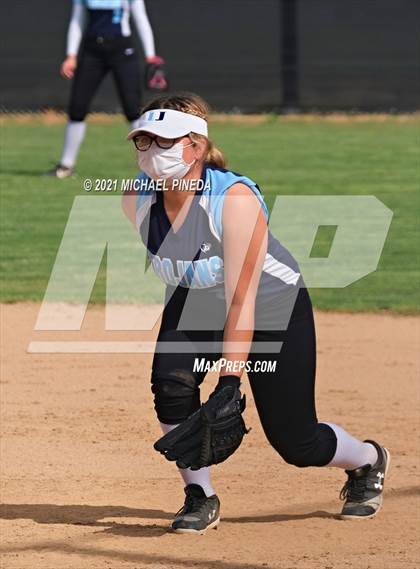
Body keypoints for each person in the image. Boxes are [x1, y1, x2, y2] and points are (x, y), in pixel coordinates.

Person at [122, 93, 390, 535]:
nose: (152, 151)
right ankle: (200, 495)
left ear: (196, 147)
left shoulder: (235, 199)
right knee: (171, 385)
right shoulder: (137, 198)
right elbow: (183, 267)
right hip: (196, 299)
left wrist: (230, 379)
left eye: (165, 141)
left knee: (296, 441)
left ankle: (367, 459)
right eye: (144, 141)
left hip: (271, 307)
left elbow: (241, 299)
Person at [49, 0, 166, 178]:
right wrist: (71, 55)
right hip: (92, 50)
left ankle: (153, 166)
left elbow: (141, 18)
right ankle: (66, 165)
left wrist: (150, 55)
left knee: (133, 109)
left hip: (122, 50)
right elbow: (77, 20)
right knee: (77, 107)